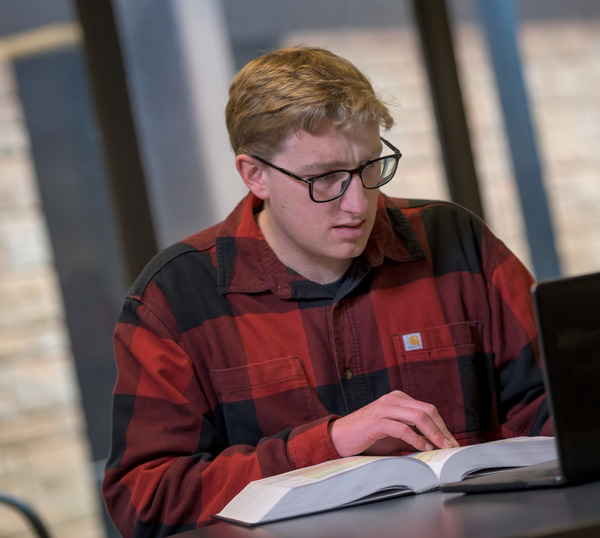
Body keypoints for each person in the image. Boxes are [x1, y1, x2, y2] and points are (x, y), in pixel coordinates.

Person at [102, 46, 552, 537]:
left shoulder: (456, 242)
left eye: (369, 168)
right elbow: (144, 502)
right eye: (326, 179)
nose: (359, 204)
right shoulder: (173, 299)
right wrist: (331, 444)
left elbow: (554, 410)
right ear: (256, 176)